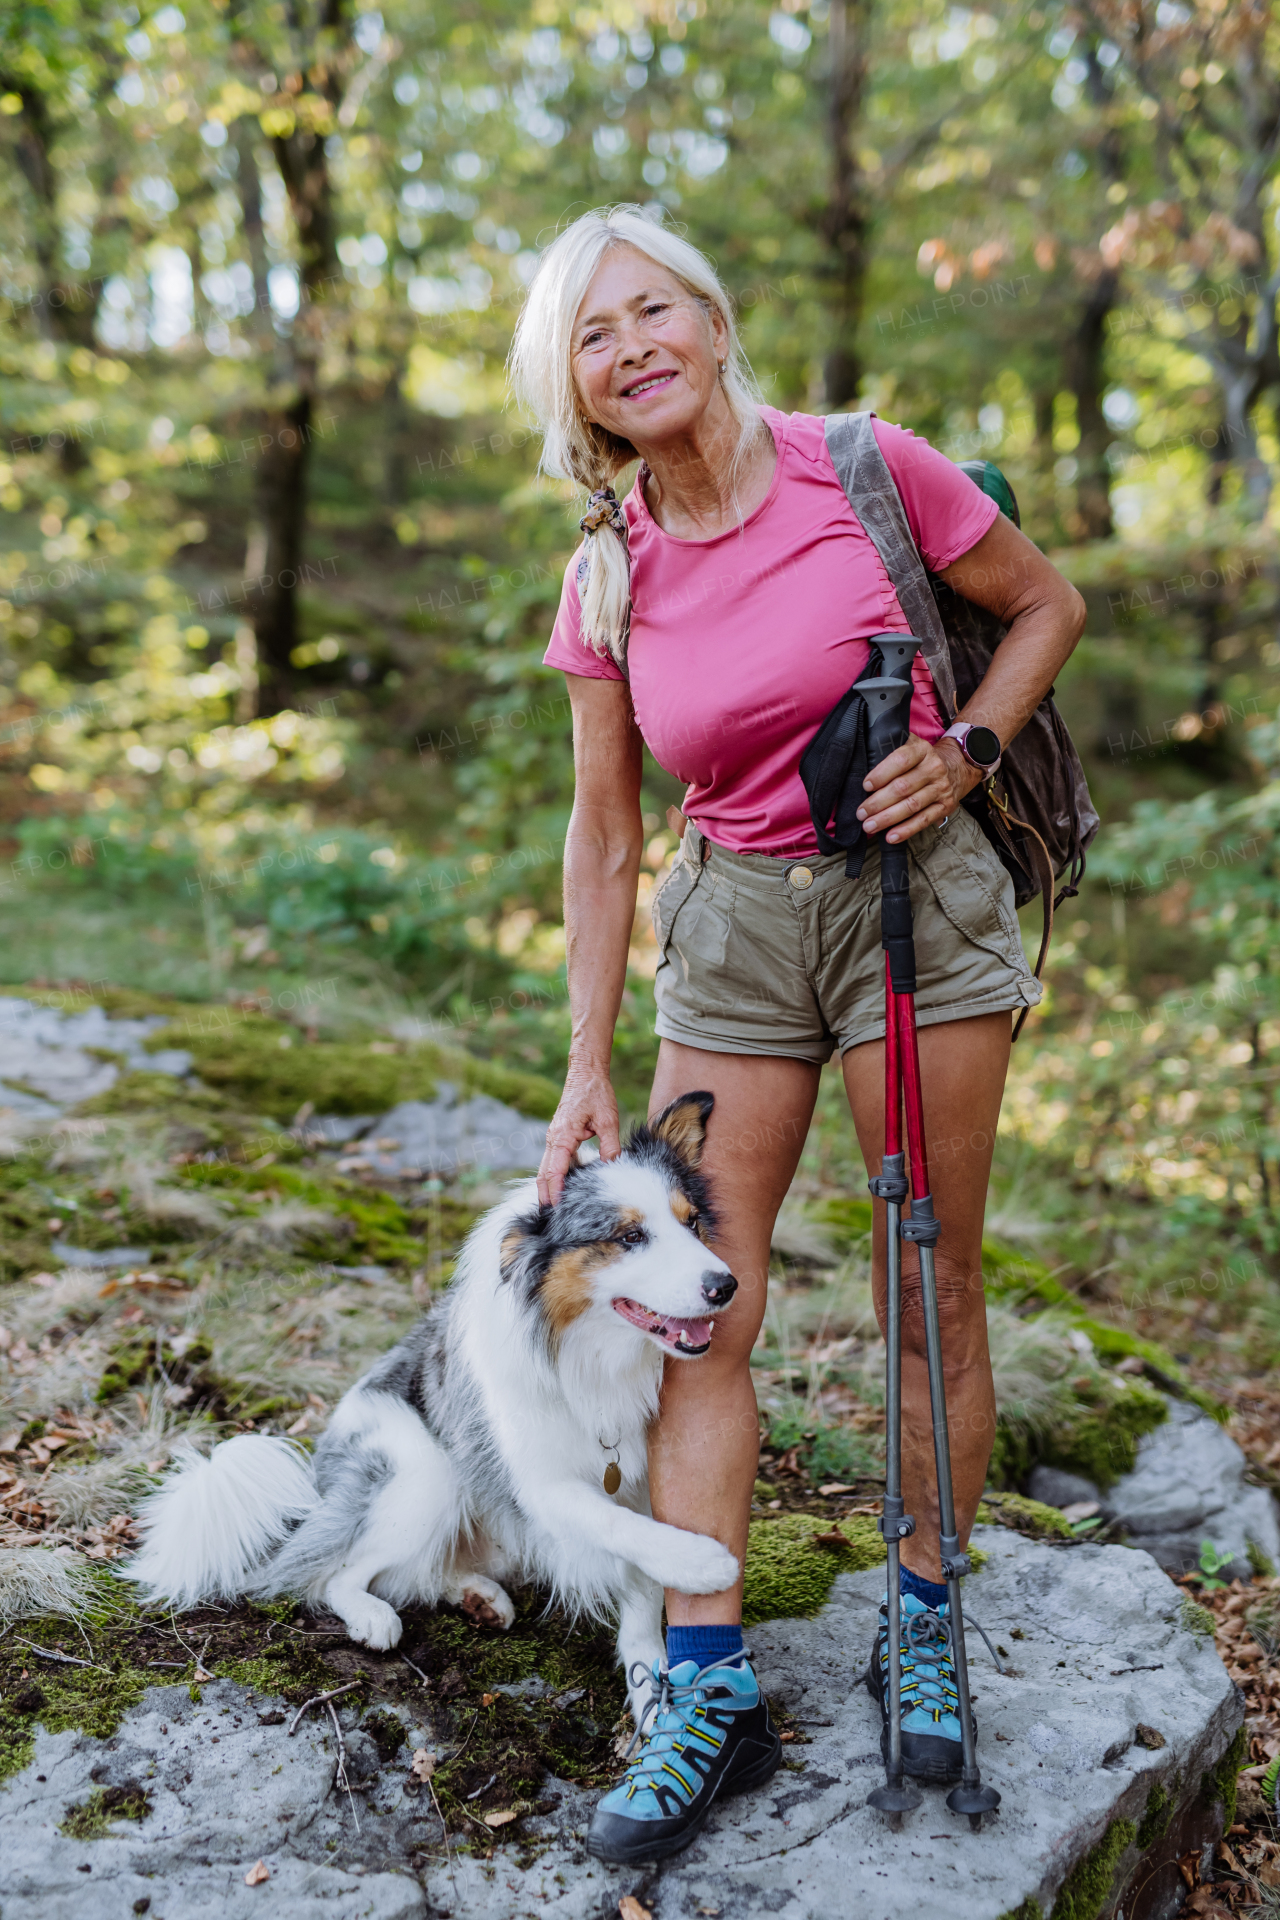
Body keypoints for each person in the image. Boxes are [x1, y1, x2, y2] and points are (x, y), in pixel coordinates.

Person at [509, 204, 1086, 1862]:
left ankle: (922, 1612)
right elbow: (605, 831)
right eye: (591, 339)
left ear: (706, 311)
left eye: (647, 312)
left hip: (926, 904)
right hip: (739, 930)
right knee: (706, 1306)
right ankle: (706, 1683)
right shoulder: (608, 573)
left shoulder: (866, 467)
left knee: (933, 1272)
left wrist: (969, 746)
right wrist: (584, 1058)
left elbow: (1045, 608)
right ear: (579, 392)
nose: (630, 348)